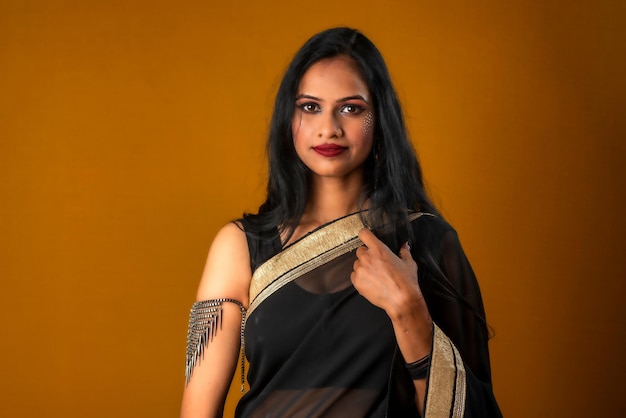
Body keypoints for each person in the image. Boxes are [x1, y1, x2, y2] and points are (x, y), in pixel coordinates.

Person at [180, 27, 502, 417]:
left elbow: (474, 410)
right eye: (310, 107)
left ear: (380, 118)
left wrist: (408, 311)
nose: (329, 127)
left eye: (351, 108)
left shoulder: (429, 243)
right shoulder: (240, 247)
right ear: (288, 117)